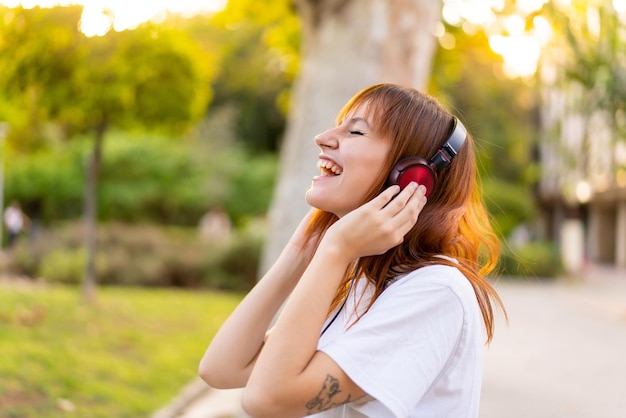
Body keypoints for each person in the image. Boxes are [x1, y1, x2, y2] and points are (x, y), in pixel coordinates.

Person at [199, 83, 506, 417]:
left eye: (355, 131)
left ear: (412, 177)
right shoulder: (365, 281)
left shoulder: (434, 291)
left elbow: (266, 400)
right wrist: (302, 250)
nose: (323, 137)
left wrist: (334, 250)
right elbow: (221, 368)